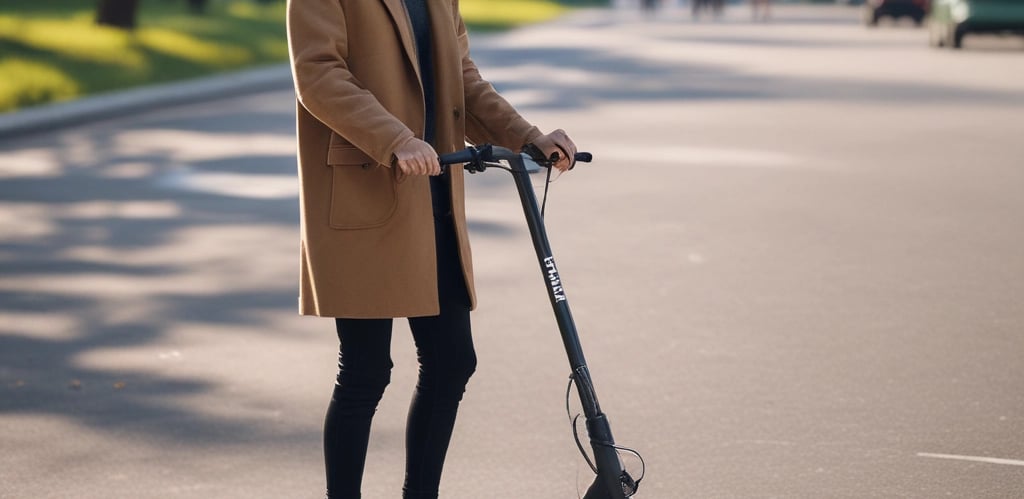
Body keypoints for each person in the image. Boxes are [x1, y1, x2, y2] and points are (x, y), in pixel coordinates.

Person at [286, 1, 577, 498]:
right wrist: (393, 138)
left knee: (451, 361)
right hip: (367, 189)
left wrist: (526, 138)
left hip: (435, 195)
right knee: (365, 372)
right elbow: (318, 73)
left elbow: (462, 78)